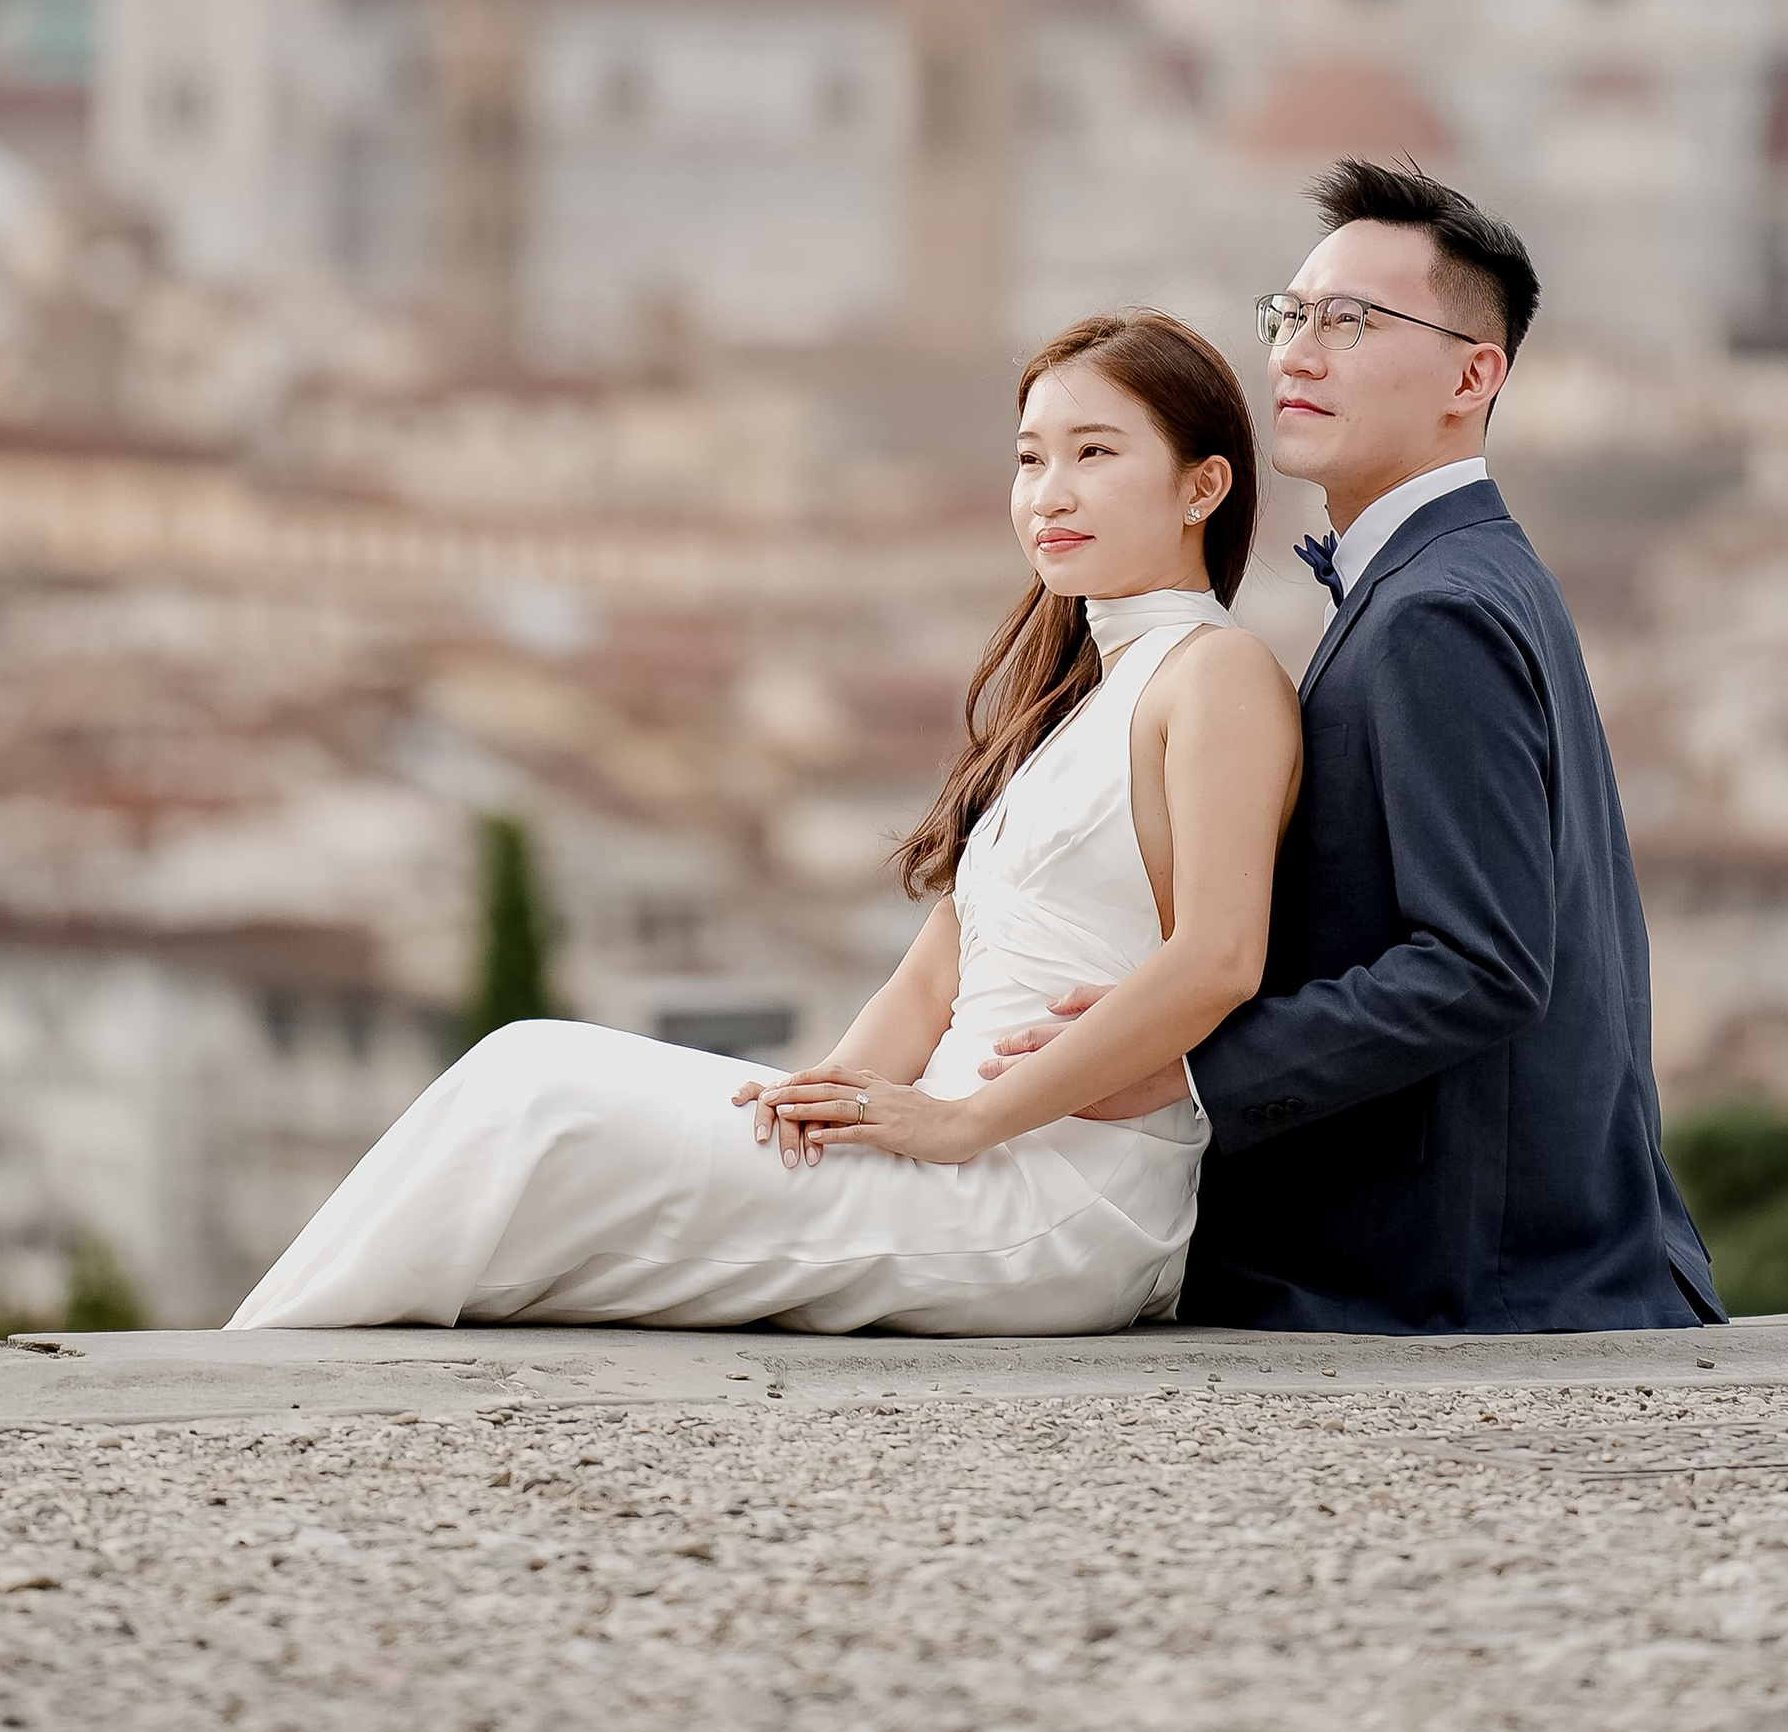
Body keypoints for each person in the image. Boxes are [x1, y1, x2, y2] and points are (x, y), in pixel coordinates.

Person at [228, 311, 1301, 1337]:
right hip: (944, 1149)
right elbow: (940, 971)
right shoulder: (1069, 704)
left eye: (1095, 454)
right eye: (1029, 459)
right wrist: (816, 1101)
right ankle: (264, 1367)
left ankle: (251, 1382)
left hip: (1057, 1199)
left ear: (1203, 484)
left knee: (537, 1100)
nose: (1048, 494)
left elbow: (1217, 958)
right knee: (523, 1086)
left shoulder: (1218, 676)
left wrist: (965, 1120)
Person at [986, 159, 1720, 1335]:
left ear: (1473, 375)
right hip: (1517, 1252)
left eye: (1352, 323)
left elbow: (1482, 964)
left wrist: (1180, 1076)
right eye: (1289, 317)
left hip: (1465, 1274)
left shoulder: (1437, 609)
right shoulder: (1464, 575)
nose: (1294, 354)